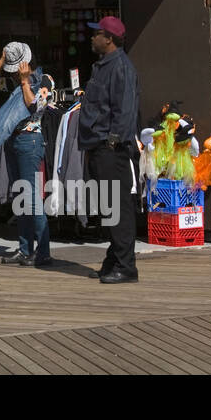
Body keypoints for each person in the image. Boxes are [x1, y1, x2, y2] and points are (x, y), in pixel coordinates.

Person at [0, 42, 55, 267]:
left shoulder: (44, 80)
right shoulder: (11, 82)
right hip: (15, 141)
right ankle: (25, 249)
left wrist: (24, 81)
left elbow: (34, 105)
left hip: (30, 141)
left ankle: (43, 251)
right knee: (21, 196)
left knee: (31, 197)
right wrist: (1, 60)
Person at [76, 16, 141, 285]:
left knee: (118, 207)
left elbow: (124, 111)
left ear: (109, 39)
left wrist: (112, 142)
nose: (92, 38)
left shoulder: (121, 68)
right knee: (109, 207)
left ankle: (126, 267)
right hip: (98, 146)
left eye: (97, 34)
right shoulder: (102, 66)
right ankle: (114, 260)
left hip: (110, 148)